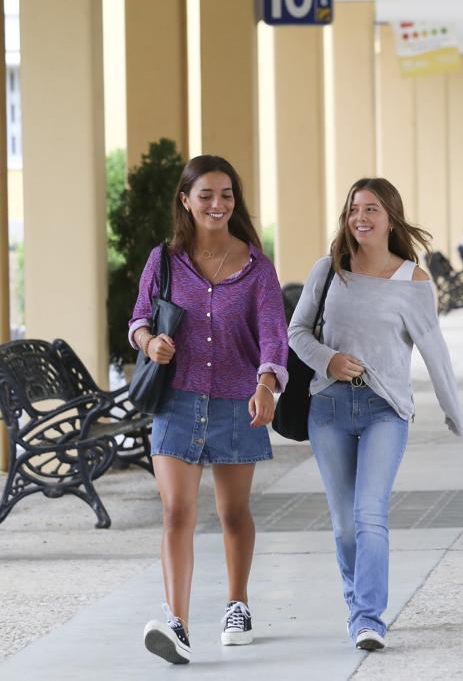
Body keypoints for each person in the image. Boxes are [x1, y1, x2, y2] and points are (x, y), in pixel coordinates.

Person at [288, 178, 463, 651]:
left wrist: (454, 412)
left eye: (370, 209)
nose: (360, 218)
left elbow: (435, 351)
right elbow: (296, 331)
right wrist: (328, 359)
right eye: (353, 209)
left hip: (385, 410)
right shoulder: (328, 271)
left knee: (370, 515)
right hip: (327, 408)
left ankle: (368, 617)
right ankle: (356, 603)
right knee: (345, 523)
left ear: (390, 217)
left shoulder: (414, 281)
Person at [131, 155, 288, 664]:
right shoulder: (164, 259)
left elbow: (273, 335)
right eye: (206, 196)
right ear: (186, 201)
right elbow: (138, 320)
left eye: (226, 195)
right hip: (176, 401)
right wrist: (150, 341)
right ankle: (175, 621)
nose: (217, 205)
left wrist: (267, 383)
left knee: (232, 512)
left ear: (234, 201)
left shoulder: (256, 267)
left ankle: (237, 604)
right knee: (176, 510)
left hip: (236, 401)